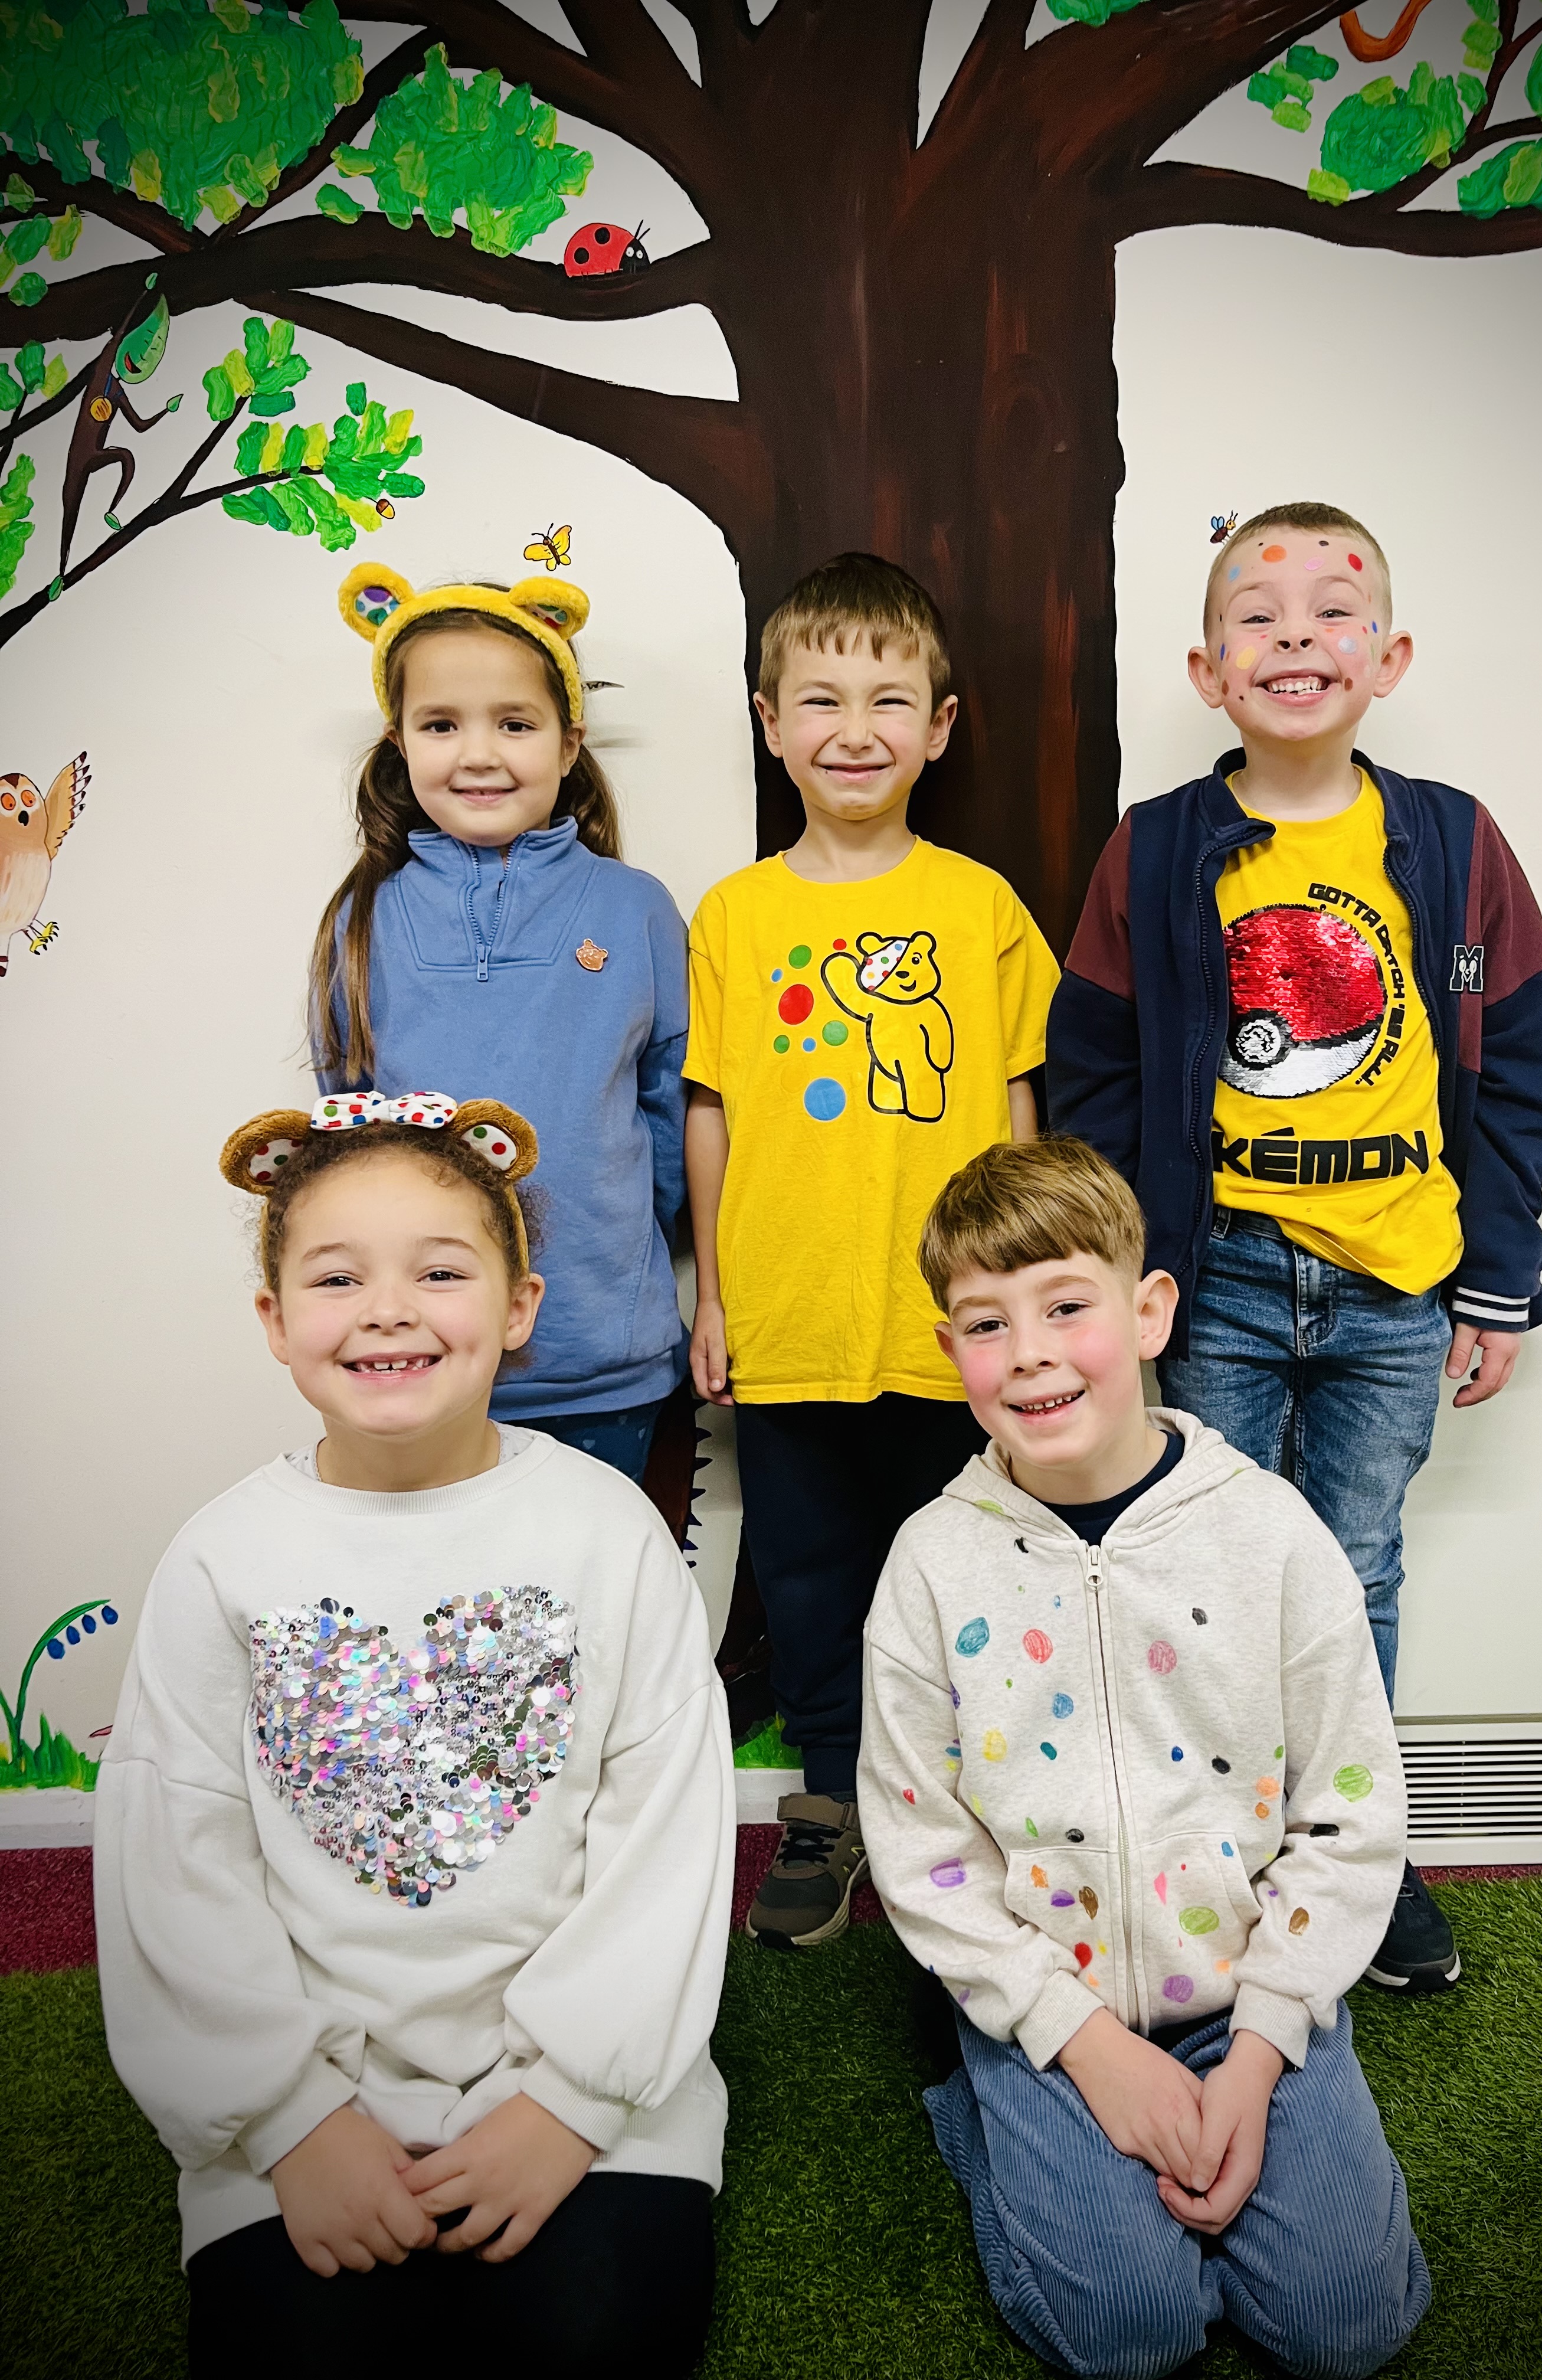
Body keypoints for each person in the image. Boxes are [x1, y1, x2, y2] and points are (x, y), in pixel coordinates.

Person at [94, 1094, 732, 2379]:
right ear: (275, 1319)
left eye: (440, 1272)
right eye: (338, 1278)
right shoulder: (223, 1555)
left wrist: (568, 2104)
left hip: (587, 2084)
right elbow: (176, 1854)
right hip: (305, 2094)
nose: (389, 1311)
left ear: (519, 1306)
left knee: (596, 2343)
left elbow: (666, 1833)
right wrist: (291, 2121)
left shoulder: (607, 1530)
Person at [1047, 501, 1542, 1993]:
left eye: (1336, 610)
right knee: (1204, 1566)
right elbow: (1095, 1064)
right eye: (1258, 615)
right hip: (1214, 1275)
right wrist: (1126, 1271)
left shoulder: (1450, 841)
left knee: (1355, 1572)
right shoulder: (1158, 849)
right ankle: (1215, 1855)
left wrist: (1497, 1275)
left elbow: (1524, 1053)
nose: (1297, 635)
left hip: (1399, 1281)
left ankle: (1357, 1863)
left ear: (1387, 658)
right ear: (1208, 671)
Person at [857, 1137, 1429, 2380]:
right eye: (987, 1324)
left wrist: (1265, 2044)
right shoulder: (929, 1566)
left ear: (1151, 1310)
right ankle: (986, 2109)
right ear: (952, 1349)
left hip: (1249, 1995)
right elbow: (921, 1849)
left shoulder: (1273, 1535)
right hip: (1047, 2009)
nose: (1030, 1353)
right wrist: (1080, 2043)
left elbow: (1351, 1816)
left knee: (1348, 2328)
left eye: (1067, 1306)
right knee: (1128, 2339)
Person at [685, 551, 1059, 1948]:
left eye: (890, 700)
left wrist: (1017, 1307)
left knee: (969, 1573)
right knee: (809, 1578)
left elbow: (1017, 1116)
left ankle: (968, 1807)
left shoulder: (981, 908)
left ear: (940, 727)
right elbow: (711, 1116)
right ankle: (831, 1802)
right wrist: (715, 1296)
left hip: (945, 1326)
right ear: (770, 722)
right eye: (822, 699)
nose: (855, 729)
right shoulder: (734, 916)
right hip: (785, 1316)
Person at [310, 564, 689, 1486]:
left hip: (605, 1361)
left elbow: (674, 1112)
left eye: (514, 724)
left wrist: (627, 1238)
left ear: (569, 744)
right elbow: (346, 1138)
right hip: (420, 1363)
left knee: (596, 1579)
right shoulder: (362, 921)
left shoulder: (635, 909)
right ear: (399, 743)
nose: (479, 754)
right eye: (442, 725)